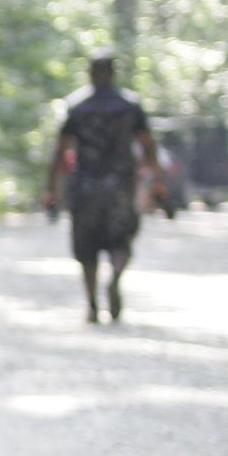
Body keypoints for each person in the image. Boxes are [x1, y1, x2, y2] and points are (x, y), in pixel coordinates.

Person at [41, 51, 161, 324]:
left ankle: (93, 303)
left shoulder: (77, 106)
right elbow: (147, 144)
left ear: (90, 73)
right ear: (113, 73)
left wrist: (52, 188)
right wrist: (156, 179)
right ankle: (115, 278)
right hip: (121, 184)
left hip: (85, 185)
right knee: (121, 240)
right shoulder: (130, 105)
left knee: (87, 246)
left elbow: (60, 151)